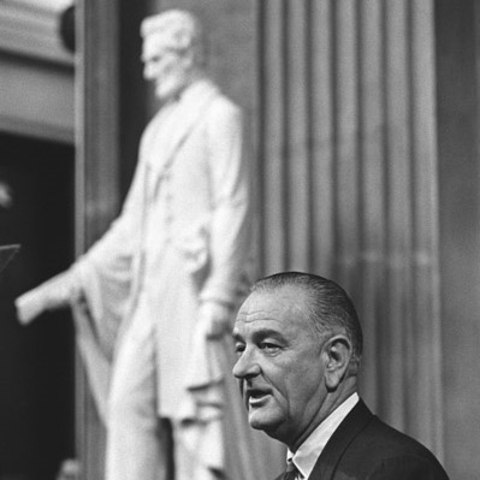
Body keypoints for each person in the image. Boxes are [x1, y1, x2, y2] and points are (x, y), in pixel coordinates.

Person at [15, 9, 253, 480]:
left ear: (186, 54)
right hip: (150, 286)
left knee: (194, 417)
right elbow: (130, 228)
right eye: (145, 61)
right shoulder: (158, 129)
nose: (147, 71)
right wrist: (71, 281)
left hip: (191, 287)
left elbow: (233, 205)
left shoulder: (220, 116)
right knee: (126, 401)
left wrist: (219, 296)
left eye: (156, 59)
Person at [232, 272, 450, 480]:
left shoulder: (396, 470)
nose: (240, 369)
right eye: (240, 348)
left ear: (334, 360)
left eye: (269, 346)